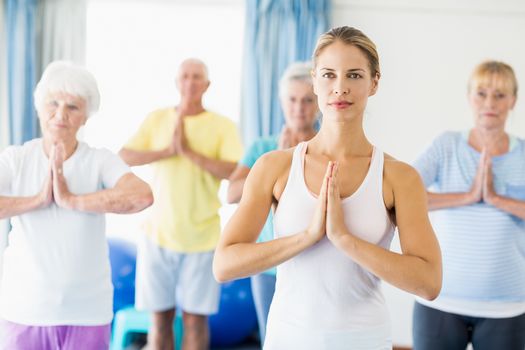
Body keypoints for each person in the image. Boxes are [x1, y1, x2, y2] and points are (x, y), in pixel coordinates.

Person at [213, 26, 442, 350]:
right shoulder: (273, 166)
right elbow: (224, 265)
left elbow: (429, 282)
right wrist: (306, 237)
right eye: (329, 75)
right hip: (288, 337)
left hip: (364, 338)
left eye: (354, 75)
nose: (340, 88)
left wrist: (345, 239)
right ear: (315, 80)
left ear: (374, 83)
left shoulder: (398, 177)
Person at [0, 61, 153, 350]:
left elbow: (142, 196)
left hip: (87, 313)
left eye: (72, 107)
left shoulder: (100, 160)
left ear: (85, 116)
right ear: (39, 107)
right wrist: (37, 200)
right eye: (53, 104)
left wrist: (72, 200)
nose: (60, 115)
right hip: (24, 310)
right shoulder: (16, 159)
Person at [119, 58, 243, 350]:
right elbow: (124, 156)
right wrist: (166, 151)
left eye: (197, 77)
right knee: (160, 319)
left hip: (202, 237)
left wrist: (188, 152)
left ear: (207, 85)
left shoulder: (222, 126)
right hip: (158, 235)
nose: (190, 82)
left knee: (195, 320)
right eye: (185, 76)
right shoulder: (157, 119)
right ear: (177, 82)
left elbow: (234, 172)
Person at [412, 61, 525, 350]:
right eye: (481, 93)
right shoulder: (446, 145)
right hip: (440, 299)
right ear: (469, 98)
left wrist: (498, 199)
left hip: (507, 306)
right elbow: (405, 197)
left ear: (513, 100)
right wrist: (467, 196)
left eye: (500, 95)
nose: (490, 102)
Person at [227, 61, 318, 345]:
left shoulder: (325, 149)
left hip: (314, 261)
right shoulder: (262, 148)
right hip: (269, 265)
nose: (299, 107)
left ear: (318, 104)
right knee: (274, 339)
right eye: (292, 99)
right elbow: (232, 193)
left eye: (307, 100)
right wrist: (280, 159)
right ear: (282, 102)